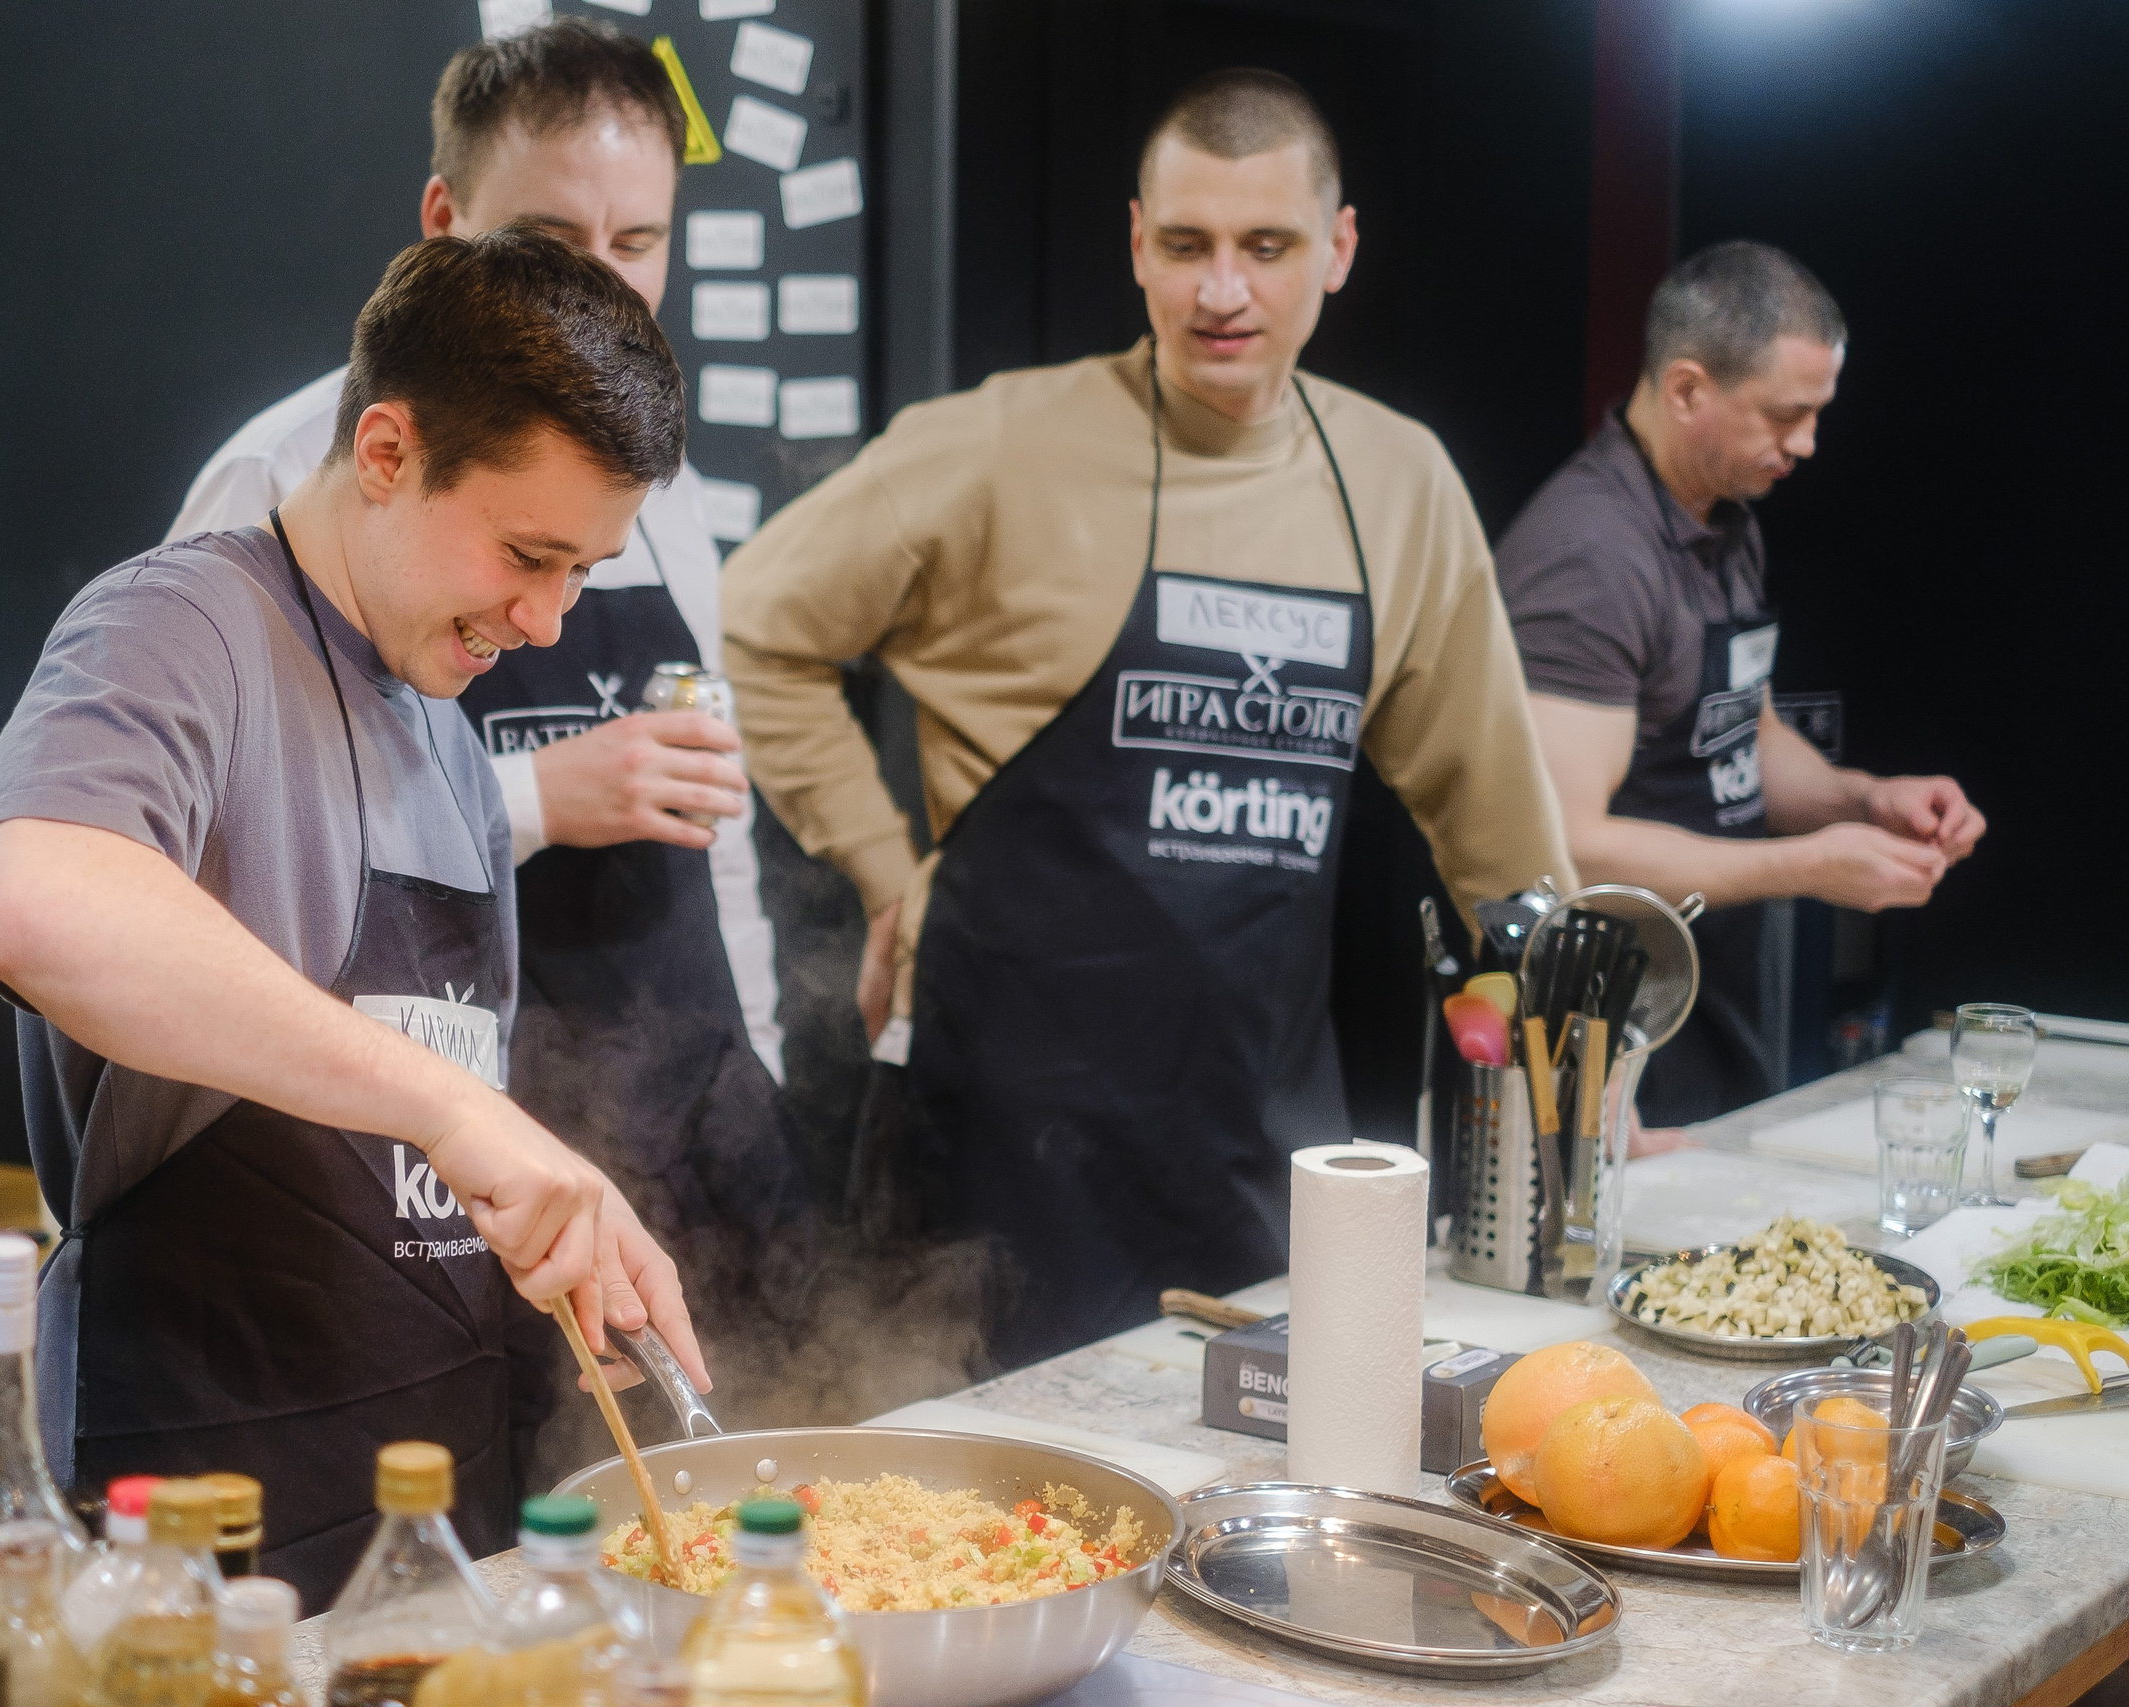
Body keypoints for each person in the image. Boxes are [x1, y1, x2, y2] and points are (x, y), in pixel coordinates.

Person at [720, 69, 1574, 1367]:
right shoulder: (997, 445)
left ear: (1338, 249)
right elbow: (754, 619)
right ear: (1135, 244)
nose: (1221, 291)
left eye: (1266, 247)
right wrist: (881, 864)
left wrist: (1574, 1070)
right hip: (1000, 1155)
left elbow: (1493, 819)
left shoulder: (1398, 482)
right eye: (1185, 245)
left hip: (1255, 1136)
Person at [0, 230, 707, 1601]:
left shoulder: (445, 731)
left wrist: (552, 1220)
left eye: (583, 572)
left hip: (427, 1496)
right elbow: (27, 896)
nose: (547, 621)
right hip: (203, 1510)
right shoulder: (184, 625)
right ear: (385, 452)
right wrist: (451, 1107)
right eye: (527, 553)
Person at [168, 19, 804, 1316]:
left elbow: (716, 814)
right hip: (440, 1158)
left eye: (640, 242)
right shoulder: (289, 477)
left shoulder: (665, 489)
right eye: (553, 240)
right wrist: (537, 797)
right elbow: (219, 874)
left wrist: (759, 1067)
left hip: (686, 1110)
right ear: (445, 223)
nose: (605, 287)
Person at [1497, 242, 1985, 1125]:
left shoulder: (1727, 522)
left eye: (1817, 413)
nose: (1806, 443)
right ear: (1687, 389)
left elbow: (1743, 735)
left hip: (1712, 1004)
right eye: (1786, 415)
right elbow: (1565, 844)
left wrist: (1865, 801)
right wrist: (1809, 865)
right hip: (1611, 1033)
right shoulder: (1589, 556)